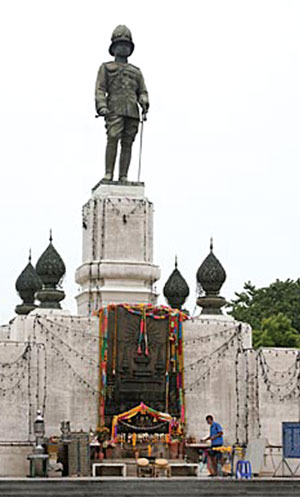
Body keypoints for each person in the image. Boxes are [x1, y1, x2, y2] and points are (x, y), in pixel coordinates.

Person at [95, 25, 149, 182]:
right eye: (120, 44)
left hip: (132, 111)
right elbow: (100, 89)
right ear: (114, 47)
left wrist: (144, 100)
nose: (123, 48)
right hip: (114, 109)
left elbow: (142, 91)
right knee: (113, 137)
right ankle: (109, 173)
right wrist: (102, 106)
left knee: (128, 143)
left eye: (126, 45)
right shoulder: (106, 67)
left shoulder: (136, 71)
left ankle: (123, 175)